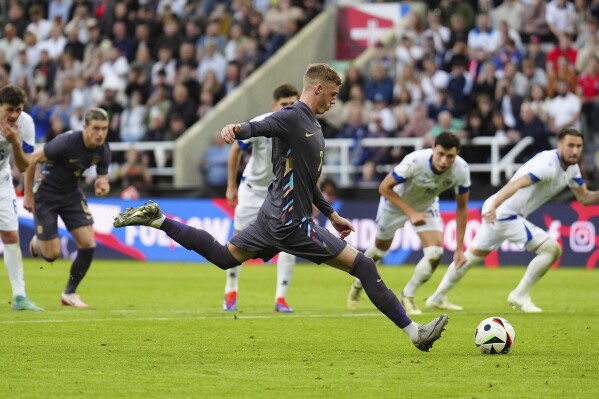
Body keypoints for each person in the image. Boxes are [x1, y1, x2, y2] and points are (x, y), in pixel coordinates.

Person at [114, 63, 448, 352]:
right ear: (317, 88)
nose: (335, 100)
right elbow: (257, 127)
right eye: (332, 93)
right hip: (291, 223)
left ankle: (159, 220)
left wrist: (331, 214)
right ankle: (415, 333)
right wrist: (236, 128)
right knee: (363, 267)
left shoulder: (313, 125)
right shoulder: (291, 116)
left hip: (271, 218)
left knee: (224, 257)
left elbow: (307, 181)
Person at [427, 127, 599, 313]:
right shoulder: (547, 164)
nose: (574, 150)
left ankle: (437, 297)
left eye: (579, 146)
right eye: (570, 145)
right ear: (559, 145)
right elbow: (516, 183)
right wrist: (495, 206)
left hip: (499, 210)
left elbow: (584, 198)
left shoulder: (572, 169)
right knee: (552, 249)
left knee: (470, 257)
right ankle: (520, 294)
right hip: (504, 213)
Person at [347, 132, 470, 315]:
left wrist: (459, 249)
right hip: (394, 203)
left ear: (457, 154)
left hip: (426, 205)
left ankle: (408, 295)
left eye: (450, 156)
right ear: (433, 149)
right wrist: (411, 213)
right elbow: (384, 188)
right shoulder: (415, 161)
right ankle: (358, 284)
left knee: (435, 253)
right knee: (380, 250)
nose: (444, 161)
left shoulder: (461, 169)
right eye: (440, 154)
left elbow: (461, 208)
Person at [23, 108, 112, 308]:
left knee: (89, 244)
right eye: (96, 128)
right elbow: (32, 160)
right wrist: (28, 194)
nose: (100, 134)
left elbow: (103, 177)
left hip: (71, 194)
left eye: (104, 129)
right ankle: (40, 242)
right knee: (52, 255)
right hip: (46, 194)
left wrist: (103, 185)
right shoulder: (67, 142)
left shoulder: (103, 149)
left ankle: (69, 294)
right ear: (85, 128)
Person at [224, 83, 299, 313]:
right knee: (238, 240)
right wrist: (231, 185)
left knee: (290, 243)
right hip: (253, 190)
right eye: (284, 105)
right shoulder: (262, 123)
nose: (288, 108)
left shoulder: (301, 126)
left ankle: (281, 298)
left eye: (292, 104)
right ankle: (230, 290)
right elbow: (237, 149)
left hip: (281, 193)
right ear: (274, 105)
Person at [0, 85, 43, 311]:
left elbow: (25, 164)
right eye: (9, 110)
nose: (14, 115)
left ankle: (19, 297)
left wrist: (15, 142)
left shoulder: (25, 122)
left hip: (2, 181)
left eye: (18, 109)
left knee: (10, 236)